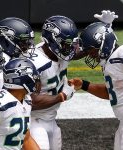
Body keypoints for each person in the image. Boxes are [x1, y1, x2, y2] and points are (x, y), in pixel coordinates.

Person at [69, 11, 123, 150]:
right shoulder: (110, 62)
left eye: (92, 51)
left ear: (103, 44)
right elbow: (113, 94)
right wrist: (84, 85)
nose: (91, 56)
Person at [29, 15, 78, 150]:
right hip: (34, 122)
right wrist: (61, 96)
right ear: (51, 40)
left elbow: (83, 50)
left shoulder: (60, 51)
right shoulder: (35, 63)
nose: (70, 49)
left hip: (51, 120)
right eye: (65, 44)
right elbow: (30, 102)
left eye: (71, 44)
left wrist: (104, 31)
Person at [0, 58, 41, 149]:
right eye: (33, 77)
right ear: (24, 79)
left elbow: (25, 137)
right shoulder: (2, 105)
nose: (36, 81)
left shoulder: (26, 101)